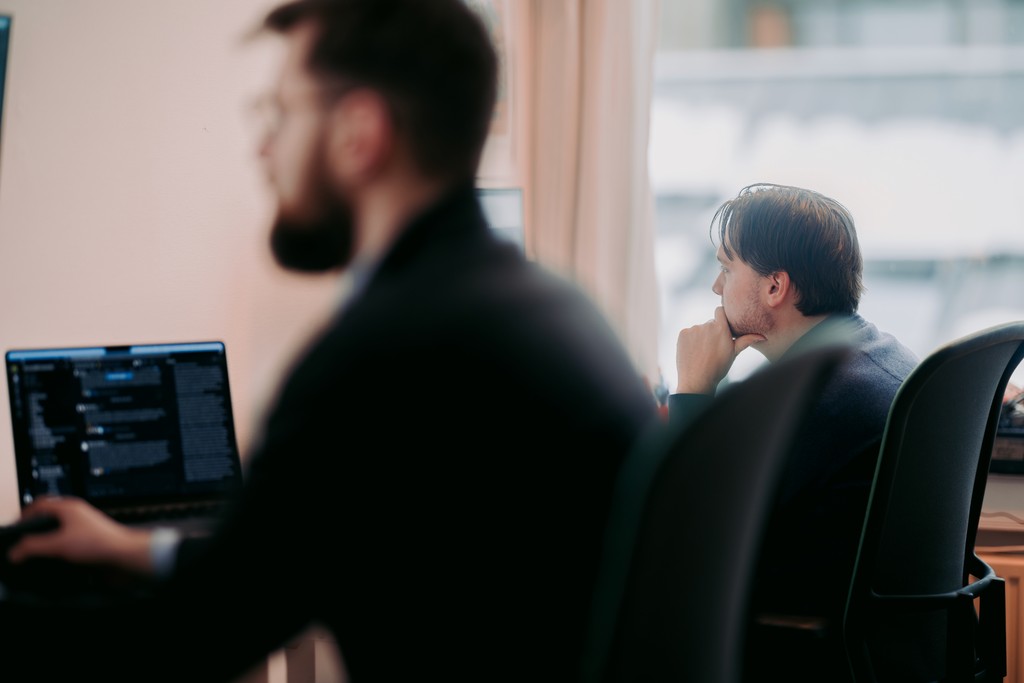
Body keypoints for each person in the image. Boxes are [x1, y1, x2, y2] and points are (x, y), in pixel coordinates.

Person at [0, 1, 658, 681]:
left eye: (279, 112)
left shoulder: (382, 352)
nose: (264, 147)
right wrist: (137, 550)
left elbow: (190, 633)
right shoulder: (545, 305)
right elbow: (268, 563)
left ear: (358, 133)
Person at [669, 183, 919, 631]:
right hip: (892, 646)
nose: (715, 285)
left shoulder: (814, 399)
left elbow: (689, 540)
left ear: (774, 286)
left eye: (727, 268)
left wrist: (692, 389)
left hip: (798, 645)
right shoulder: (883, 356)